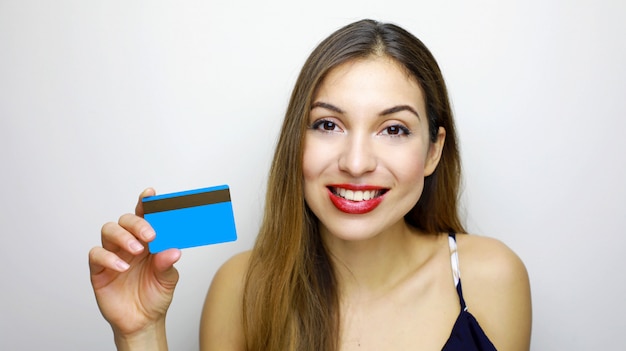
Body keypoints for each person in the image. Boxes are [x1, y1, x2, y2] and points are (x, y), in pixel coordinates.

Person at [89, 19, 532, 350]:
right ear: (295, 142)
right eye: (327, 124)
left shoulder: (491, 278)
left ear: (434, 150)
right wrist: (140, 331)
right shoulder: (241, 288)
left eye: (394, 129)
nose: (356, 163)